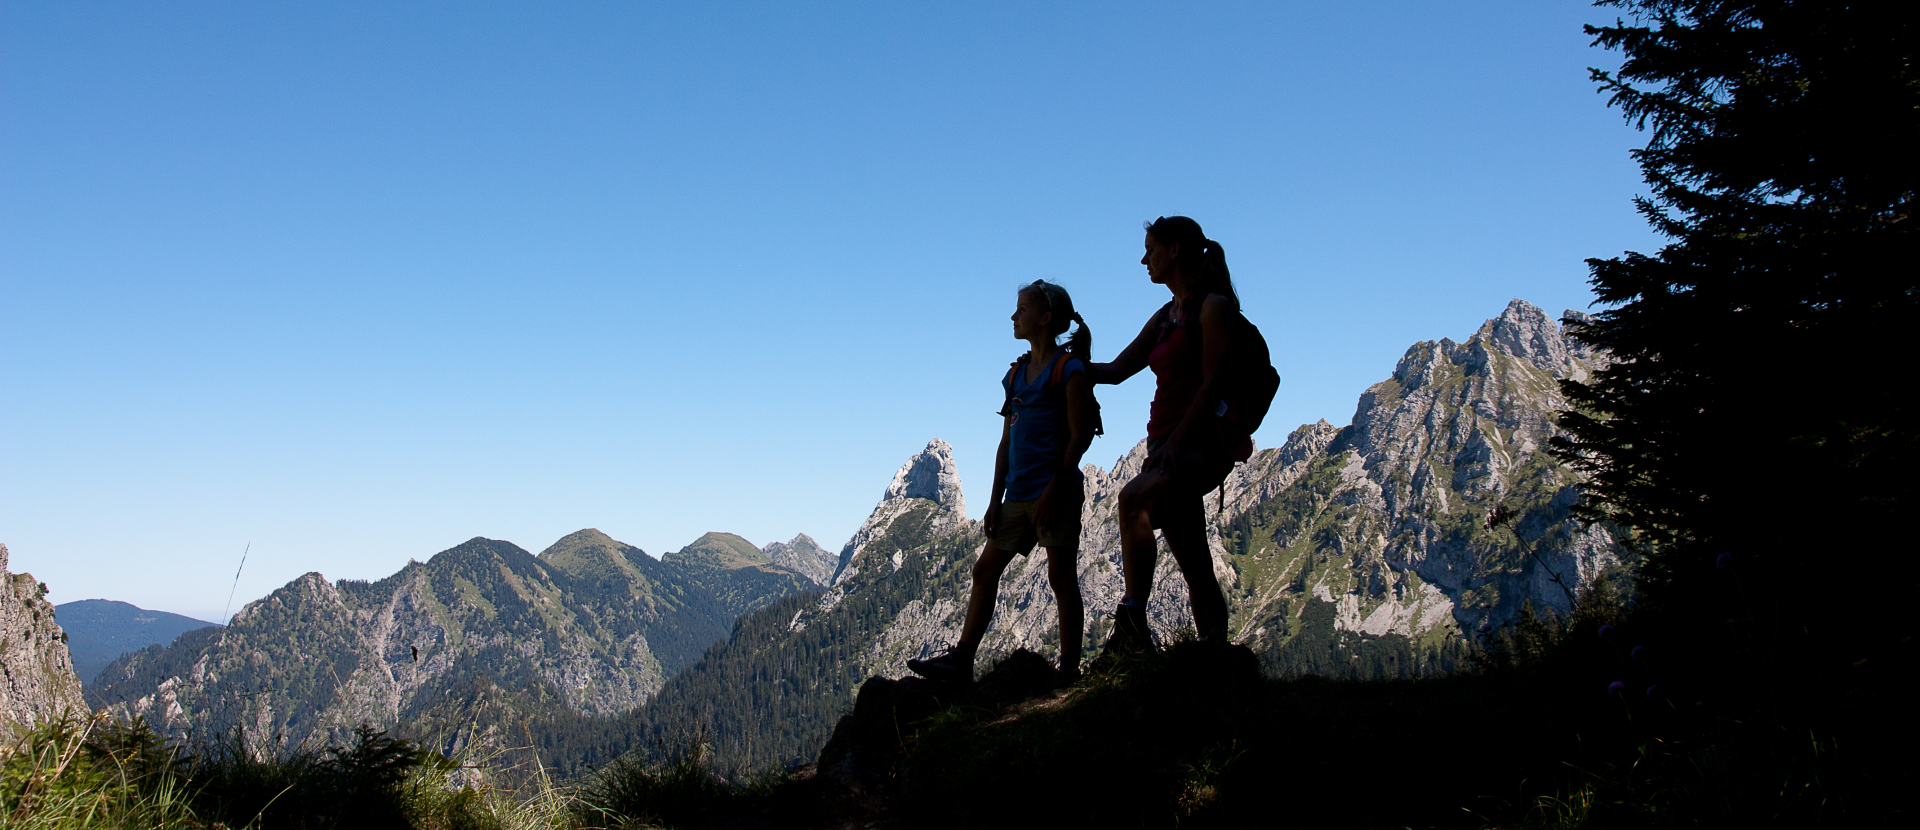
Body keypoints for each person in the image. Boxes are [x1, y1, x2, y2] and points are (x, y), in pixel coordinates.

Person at [909, 280, 1099, 688]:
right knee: (984, 569)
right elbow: (1005, 444)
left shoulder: (1069, 370)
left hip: (1056, 494)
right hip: (1017, 496)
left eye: (1022, 309)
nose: (1014, 317)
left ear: (1045, 319)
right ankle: (962, 659)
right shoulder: (1015, 375)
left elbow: (1080, 436)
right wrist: (994, 501)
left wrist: (1052, 490)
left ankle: (1069, 670)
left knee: (1061, 577)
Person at [1086, 216, 1250, 658]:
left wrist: (1175, 444)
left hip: (1198, 443)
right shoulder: (1166, 316)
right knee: (1194, 562)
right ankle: (1216, 652)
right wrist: (1069, 362)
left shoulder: (1213, 307)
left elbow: (1213, 382)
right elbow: (1117, 371)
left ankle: (1133, 623)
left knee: (1133, 499)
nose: (1144, 259)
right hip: (1167, 444)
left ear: (1174, 249)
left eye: (1150, 249)